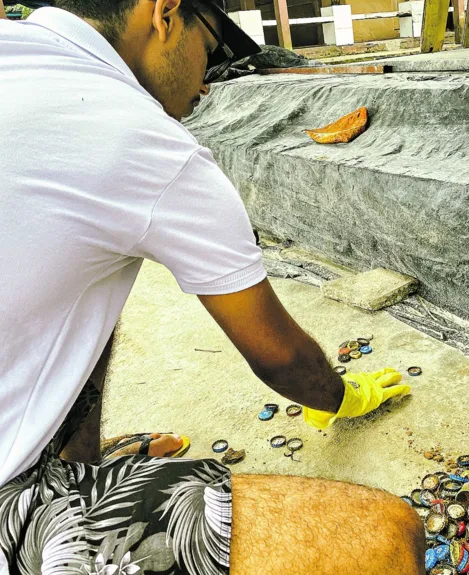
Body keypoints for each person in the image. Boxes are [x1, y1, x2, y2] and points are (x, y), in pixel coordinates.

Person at [0, 1, 425, 574]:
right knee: (384, 535)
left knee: (88, 284)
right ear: (166, 15)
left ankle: (76, 466)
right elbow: (280, 357)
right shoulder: (140, 138)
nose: (209, 83)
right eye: (212, 49)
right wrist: (343, 398)